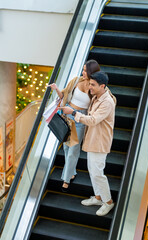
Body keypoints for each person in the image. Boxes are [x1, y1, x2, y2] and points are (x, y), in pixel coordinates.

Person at [59, 71, 116, 216]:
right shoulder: (97, 96)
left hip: (100, 142)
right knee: (92, 170)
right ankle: (98, 198)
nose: (89, 87)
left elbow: (93, 120)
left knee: (98, 174)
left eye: (93, 85)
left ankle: (108, 202)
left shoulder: (107, 102)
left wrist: (73, 113)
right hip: (92, 139)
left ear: (102, 86)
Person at [48, 60, 100, 192]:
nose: (83, 72)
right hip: (67, 115)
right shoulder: (76, 80)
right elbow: (64, 95)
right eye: (82, 70)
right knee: (66, 148)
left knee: (73, 151)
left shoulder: (93, 87)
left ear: (92, 73)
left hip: (80, 119)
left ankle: (66, 180)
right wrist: (56, 89)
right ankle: (71, 172)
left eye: (85, 71)